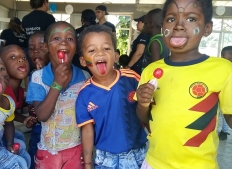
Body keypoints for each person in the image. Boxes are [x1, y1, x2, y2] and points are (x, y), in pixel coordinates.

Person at [135, 0, 232, 168]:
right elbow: (144, 117)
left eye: (191, 19)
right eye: (171, 19)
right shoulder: (151, 70)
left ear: (207, 28)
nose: (179, 26)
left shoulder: (222, 69)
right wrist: (143, 104)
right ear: (162, 24)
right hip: (154, 163)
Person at [76, 25, 147, 169]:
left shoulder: (132, 78)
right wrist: (88, 164)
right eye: (92, 50)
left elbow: (149, 111)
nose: (100, 53)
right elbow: (87, 131)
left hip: (139, 154)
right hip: (105, 161)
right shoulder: (84, 94)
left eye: (106, 48)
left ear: (115, 56)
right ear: (83, 61)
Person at [26, 21, 90, 169]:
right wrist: (56, 84)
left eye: (69, 38)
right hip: (48, 151)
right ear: (46, 47)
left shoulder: (85, 77)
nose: (63, 42)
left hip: (76, 149)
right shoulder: (37, 77)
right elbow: (42, 115)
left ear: (76, 48)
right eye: (56, 38)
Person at [0, 45, 37, 142]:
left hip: (3, 130)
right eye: (12, 57)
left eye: (24, 57)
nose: (21, 60)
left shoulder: (19, 91)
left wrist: (24, 119)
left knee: (20, 138)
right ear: (0, 67)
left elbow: (9, 111)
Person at [26, 31, 50, 169]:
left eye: (41, 47)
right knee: (35, 160)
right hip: (37, 130)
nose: (36, 51)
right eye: (31, 48)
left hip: (54, 132)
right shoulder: (33, 75)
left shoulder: (58, 74)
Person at [218, 46, 232, 140]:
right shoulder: (220, 67)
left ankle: (224, 131)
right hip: (218, 92)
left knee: (226, 112)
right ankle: (224, 131)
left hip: (226, 94)